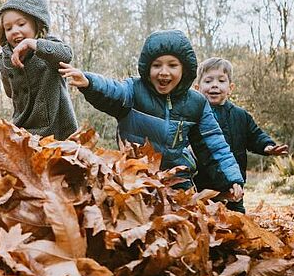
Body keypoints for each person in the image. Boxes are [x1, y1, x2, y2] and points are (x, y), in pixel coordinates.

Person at [58, 29, 244, 198]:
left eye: (172, 65)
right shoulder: (134, 91)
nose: (164, 72)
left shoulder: (196, 103)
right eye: (157, 65)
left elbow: (214, 144)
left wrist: (231, 179)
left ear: (184, 70)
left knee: (184, 222)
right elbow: (113, 90)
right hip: (136, 176)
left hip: (177, 179)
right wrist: (89, 82)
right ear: (148, 68)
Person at [192, 57, 289, 212]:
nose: (214, 85)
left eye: (221, 81)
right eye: (208, 81)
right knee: (203, 222)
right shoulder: (193, 116)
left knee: (236, 221)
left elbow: (255, 135)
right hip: (203, 185)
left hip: (234, 187)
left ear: (231, 88)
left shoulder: (240, 116)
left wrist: (267, 146)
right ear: (197, 88)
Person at [0, 0, 78, 140]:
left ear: (36, 23)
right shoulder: (4, 60)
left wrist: (32, 44)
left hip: (57, 132)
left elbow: (67, 54)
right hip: (23, 132)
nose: (15, 31)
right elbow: (10, 93)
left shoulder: (48, 47)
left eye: (21, 24)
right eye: (8, 28)